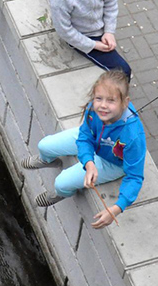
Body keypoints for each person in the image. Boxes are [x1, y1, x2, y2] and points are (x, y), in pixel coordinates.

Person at [21, 70, 146, 229]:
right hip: (94, 142)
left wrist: (117, 208)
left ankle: (60, 193)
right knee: (44, 145)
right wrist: (89, 163)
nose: (103, 105)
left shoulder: (133, 136)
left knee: (61, 183)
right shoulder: (94, 109)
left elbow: (135, 176)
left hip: (112, 162)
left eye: (111, 100)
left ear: (125, 102)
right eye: (98, 98)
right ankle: (48, 160)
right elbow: (85, 136)